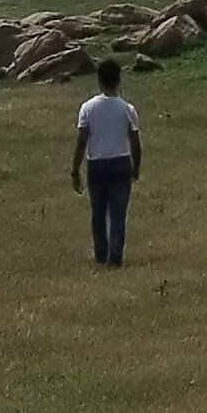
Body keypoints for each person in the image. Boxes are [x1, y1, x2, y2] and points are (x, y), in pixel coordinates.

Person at [70, 58, 142, 268]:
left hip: (97, 165)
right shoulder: (127, 109)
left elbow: (82, 141)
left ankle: (101, 253)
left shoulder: (88, 108)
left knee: (98, 212)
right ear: (118, 80)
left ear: (99, 80)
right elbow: (135, 143)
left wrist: (75, 170)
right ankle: (115, 256)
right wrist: (136, 167)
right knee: (118, 214)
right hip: (121, 163)